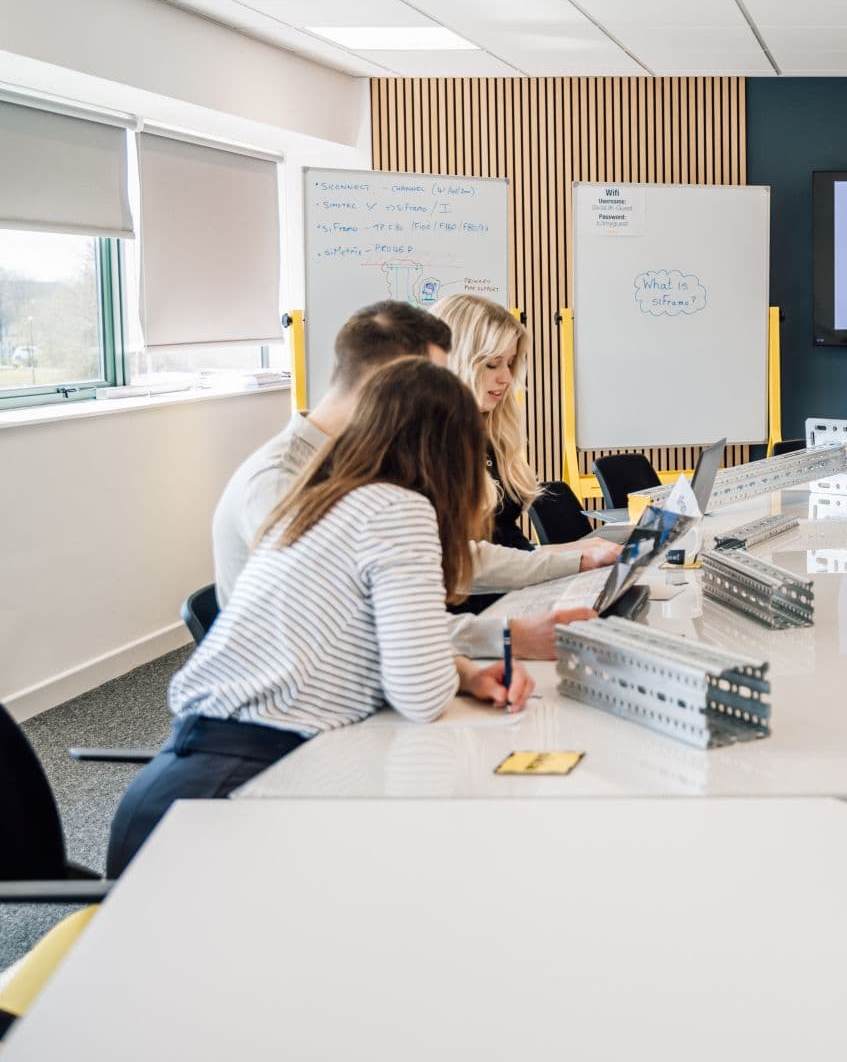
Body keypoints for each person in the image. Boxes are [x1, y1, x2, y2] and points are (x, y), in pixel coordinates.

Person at [107, 359, 597, 874]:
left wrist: (469, 672)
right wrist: (450, 669)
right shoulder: (397, 512)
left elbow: (369, 634)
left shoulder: (336, 497)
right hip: (226, 800)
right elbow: (419, 693)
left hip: (192, 787)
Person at [210, 300, 612, 635]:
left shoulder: (362, 461)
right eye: (436, 381)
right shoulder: (281, 481)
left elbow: (437, 560)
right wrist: (506, 638)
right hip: (301, 717)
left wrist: (570, 563)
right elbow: (367, 628)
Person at [436, 293, 556, 553]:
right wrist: (573, 560)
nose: (507, 378)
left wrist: (584, 556)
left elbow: (509, 543)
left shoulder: (489, 430)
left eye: (511, 363)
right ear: (456, 362)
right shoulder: (426, 445)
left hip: (511, 588)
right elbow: (460, 563)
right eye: (492, 364)